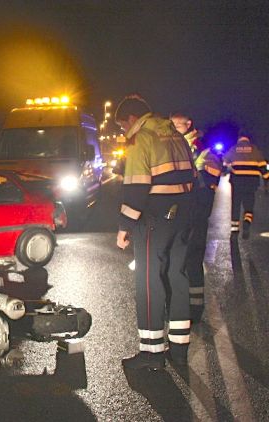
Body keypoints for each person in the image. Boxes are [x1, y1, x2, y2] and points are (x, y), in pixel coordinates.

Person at [115, 95, 196, 370]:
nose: (123, 132)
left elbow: (136, 189)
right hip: (182, 214)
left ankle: (151, 354)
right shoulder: (175, 136)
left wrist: (124, 227)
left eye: (122, 126)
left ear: (131, 119)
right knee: (177, 276)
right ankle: (180, 348)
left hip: (154, 217)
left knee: (149, 281)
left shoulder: (141, 140)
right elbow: (192, 177)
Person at [170, 113, 222, 323]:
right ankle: (181, 306)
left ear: (188, 125)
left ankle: (195, 309)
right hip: (182, 210)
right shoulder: (178, 145)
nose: (172, 129)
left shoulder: (201, 148)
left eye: (176, 125)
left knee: (192, 259)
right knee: (179, 261)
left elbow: (209, 177)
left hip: (196, 211)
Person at [222, 135, 269, 239]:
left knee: (236, 205)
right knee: (249, 205)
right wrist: (266, 182)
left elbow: (224, 162)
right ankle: (247, 222)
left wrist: (224, 172)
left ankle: (235, 229)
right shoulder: (255, 150)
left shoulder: (234, 149)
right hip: (251, 183)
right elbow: (263, 168)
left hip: (237, 182)